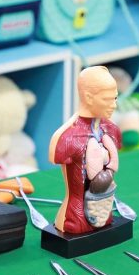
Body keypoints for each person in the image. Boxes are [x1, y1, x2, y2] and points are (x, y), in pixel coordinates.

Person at [49, 66, 122, 234]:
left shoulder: (111, 130)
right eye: (107, 100)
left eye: (115, 98)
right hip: (75, 219)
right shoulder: (66, 137)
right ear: (89, 97)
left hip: (104, 210)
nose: (114, 105)